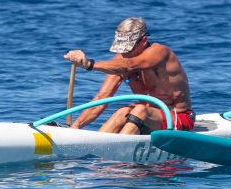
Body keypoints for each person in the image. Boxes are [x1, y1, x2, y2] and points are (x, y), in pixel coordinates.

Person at [64, 17, 195, 134]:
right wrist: (75, 128)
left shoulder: (159, 52)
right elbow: (101, 99)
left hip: (178, 118)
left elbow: (129, 65)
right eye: (122, 49)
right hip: (145, 118)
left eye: (128, 49)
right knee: (123, 111)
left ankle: (114, 149)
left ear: (143, 40)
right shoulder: (121, 61)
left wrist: (88, 64)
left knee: (140, 110)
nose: (124, 54)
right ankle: (97, 147)